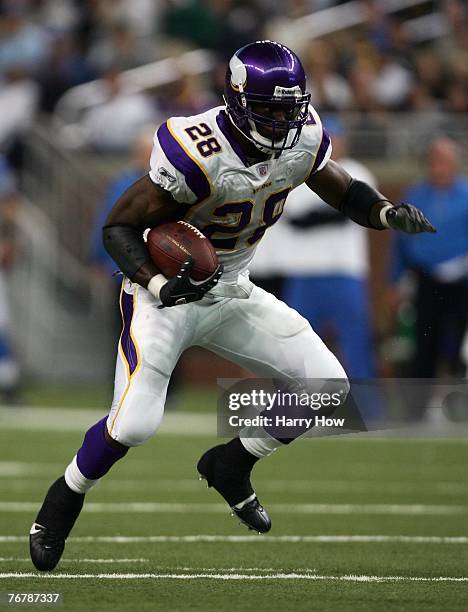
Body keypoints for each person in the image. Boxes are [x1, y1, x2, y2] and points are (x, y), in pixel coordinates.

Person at [29, 40, 435, 571]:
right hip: (166, 297)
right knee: (134, 425)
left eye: (289, 110)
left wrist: (383, 213)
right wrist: (156, 286)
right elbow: (118, 226)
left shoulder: (302, 135)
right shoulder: (198, 149)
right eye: (268, 110)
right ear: (238, 101)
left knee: (329, 388)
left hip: (233, 289)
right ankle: (63, 500)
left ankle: (234, 461)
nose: (281, 122)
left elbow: (338, 187)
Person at [391, 137, 468, 404]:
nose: (439, 168)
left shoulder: (466, 195)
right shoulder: (415, 195)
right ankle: (417, 409)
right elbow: (400, 242)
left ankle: (456, 405)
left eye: (444, 162)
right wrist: (396, 280)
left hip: (461, 283)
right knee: (424, 344)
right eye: (434, 162)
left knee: (458, 344)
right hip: (426, 280)